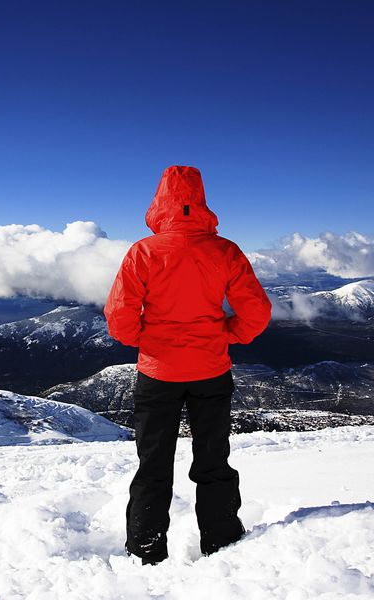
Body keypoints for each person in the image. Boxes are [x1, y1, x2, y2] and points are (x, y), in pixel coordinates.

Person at [104, 165, 271, 564]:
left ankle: (145, 552)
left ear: (159, 200)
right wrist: (227, 334)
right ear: (201, 200)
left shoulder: (143, 251)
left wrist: (147, 341)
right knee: (213, 460)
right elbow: (257, 312)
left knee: (153, 464)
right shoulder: (225, 250)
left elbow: (119, 315)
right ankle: (223, 543)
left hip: (158, 373)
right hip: (211, 370)